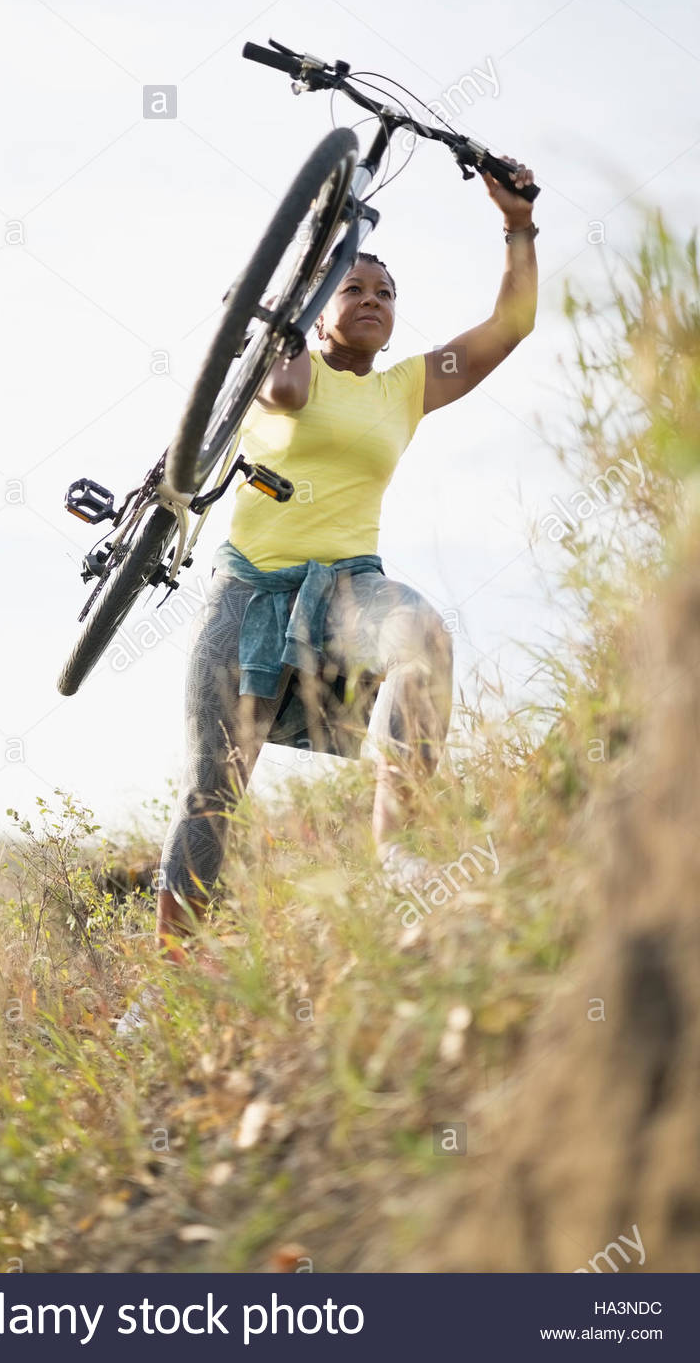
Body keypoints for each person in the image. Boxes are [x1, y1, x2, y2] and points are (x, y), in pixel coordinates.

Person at [154, 157, 537, 967]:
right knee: (211, 788)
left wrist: (517, 223)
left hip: (345, 589)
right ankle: (172, 977)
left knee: (422, 635)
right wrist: (291, 305)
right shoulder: (284, 365)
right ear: (320, 306)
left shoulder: (403, 387)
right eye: (352, 288)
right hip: (246, 590)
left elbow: (512, 324)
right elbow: (288, 393)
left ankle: (398, 853)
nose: (370, 301)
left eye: (384, 293)